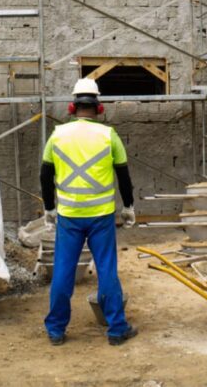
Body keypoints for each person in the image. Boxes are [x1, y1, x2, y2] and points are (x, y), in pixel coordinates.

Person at [41, 78, 138, 347]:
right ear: (100, 108)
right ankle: (117, 329)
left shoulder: (57, 135)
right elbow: (124, 177)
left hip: (69, 216)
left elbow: (45, 175)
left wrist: (49, 208)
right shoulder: (109, 136)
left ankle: (56, 330)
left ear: (72, 107)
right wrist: (128, 207)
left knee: (63, 271)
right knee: (107, 270)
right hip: (101, 216)